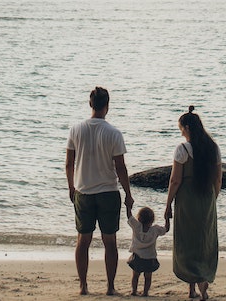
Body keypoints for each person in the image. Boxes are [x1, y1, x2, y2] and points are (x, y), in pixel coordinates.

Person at [65, 87, 134, 296]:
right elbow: (120, 167)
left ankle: (83, 286)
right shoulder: (113, 133)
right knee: (110, 241)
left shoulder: (76, 129)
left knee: (82, 240)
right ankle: (110, 286)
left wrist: (71, 187)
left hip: (83, 191)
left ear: (90, 104)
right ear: (107, 106)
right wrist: (128, 194)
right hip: (108, 192)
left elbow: (69, 163)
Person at [164, 106, 222, 300]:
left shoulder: (182, 149)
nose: (180, 131)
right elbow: (218, 179)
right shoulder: (213, 148)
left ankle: (191, 289)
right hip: (207, 198)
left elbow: (175, 180)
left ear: (187, 127)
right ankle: (203, 285)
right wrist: (213, 198)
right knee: (204, 241)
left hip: (187, 199)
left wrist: (168, 204)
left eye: (181, 128)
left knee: (187, 241)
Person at [125, 205, 169, 297]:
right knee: (148, 277)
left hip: (137, 256)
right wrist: (167, 218)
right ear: (152, 220)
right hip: (150, 257)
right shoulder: (155, 230)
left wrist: (128, 206)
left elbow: (129, 216)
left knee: (135, 276)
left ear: (139, 218)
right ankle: (145, 292)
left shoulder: (136, 226)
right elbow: (166, 229)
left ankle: (134, 291)